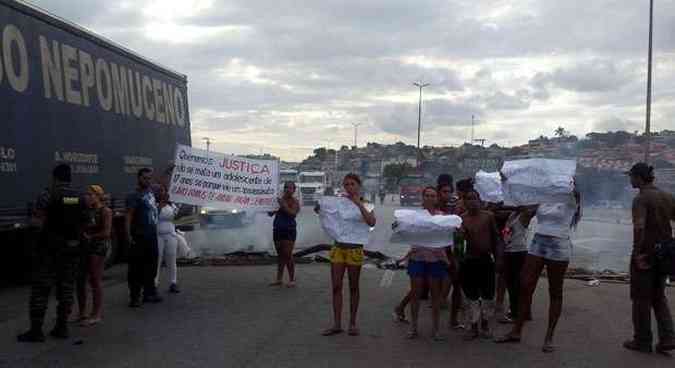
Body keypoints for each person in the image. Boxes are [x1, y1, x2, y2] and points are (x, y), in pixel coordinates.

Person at [496, 183, 582, 353]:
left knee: (555, 291)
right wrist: (510, 187)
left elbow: (574, 191)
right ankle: (516, 331)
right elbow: (525, 209)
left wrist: (566, 180)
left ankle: (549, 337)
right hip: (538, 241)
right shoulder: (544, 198)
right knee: (525, 285)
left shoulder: (571, 198)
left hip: (559, 244)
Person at [18, 164, 87, 342]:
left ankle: (36, 330)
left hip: (49, 250)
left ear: (55, 178)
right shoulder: (79, 197)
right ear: (70, 178)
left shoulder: (48, 195)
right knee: (66, 289)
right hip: (71, 249)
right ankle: (61, 327)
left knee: (41, 290)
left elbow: (38, 222)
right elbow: (87, 220)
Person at [622, 163, 675, 354]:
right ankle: (668, 338)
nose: (630, 180)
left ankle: (642, 341)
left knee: (640, 299)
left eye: (631, 176)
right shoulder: (667, 196)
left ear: (638, 177)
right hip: (665, 254)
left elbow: (639, 227)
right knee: (659, 297)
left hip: (646, 254)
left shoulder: (641, 199)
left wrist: (637, 254)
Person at [319, 173, 376, 337]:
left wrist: (359, 204)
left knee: (353, 286)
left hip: (355, 250)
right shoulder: (339, 203)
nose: (349, 187)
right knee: (336, 286)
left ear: (358, 186)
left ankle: (352, 323)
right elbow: (327, 215)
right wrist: (321, 209)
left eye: (352, 184)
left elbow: (372, 222)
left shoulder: (366, 203)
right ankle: (337, 324)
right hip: (338, 248)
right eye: (346, 184)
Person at [404, 187, 450, 341]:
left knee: (435, 295)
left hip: (436, 259)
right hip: (417, 257)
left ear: (436, 198)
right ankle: (414, 327)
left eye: (433, 195)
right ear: (422, 198)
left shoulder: (442, 216)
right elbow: (407, 234)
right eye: (427, 195)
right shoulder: (415, 216)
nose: (430, 198)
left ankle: (436, 329)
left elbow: (445, 238)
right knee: (415, 294)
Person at [459, 191, 503, 340]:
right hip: (469, 261)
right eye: (468, 199)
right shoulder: (461, 219)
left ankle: (485, 324)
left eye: (474, 198)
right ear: (464, 202)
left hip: (486, 261)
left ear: (480, 200)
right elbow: (459, 243)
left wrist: (499, 259)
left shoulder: (488, 216)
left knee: (488, 295)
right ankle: (473, 326)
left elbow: (496, 239)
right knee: (471, 296)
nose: (472, 202)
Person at [74, 185, 112, 327]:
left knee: (95, 280)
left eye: (91, 195)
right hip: (85, 247)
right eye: (87, 194)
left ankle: (96, 314)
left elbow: (106, 232)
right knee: (80, 279)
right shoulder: (87, 210)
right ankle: (82, 312)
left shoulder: (105, 211)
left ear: (98, 196)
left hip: (98, 248)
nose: (88, 197)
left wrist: (90, 236)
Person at [125, 168, 162, 308]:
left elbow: (162, 184)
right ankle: (135, 297)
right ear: (139, 178)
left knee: (151, 266)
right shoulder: (133, 195)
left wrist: (168, 171)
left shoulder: (151, 192)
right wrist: (127, 234)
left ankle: (149, 293)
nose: (147, 180)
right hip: (139, 236)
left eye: (149, 178)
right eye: (145, 178)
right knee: (136, 268)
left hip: (151, 235)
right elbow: (128, 216)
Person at [499, 206, 536, 324]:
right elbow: (495, 208)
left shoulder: (524, 215)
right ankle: (521, 311)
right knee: (512, 284)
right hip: (509, 251)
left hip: (518, 252)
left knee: (516, 284)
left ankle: (517, 313)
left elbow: (534, 208)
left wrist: (521, 206)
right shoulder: (512, 215)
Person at [268, 181, 301, 287]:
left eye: (290, 188)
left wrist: (283, 205)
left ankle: (292, 279)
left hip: (289, 230)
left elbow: (293, 214)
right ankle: (279, 279)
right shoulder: (278, 201)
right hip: (277, 229)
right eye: (286, 187)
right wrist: (270, 207)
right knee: (280, 255)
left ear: (294, 190)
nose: (287, 189)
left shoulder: (295, 201)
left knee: (288, 254)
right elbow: (270, 214)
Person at [156, 185, 180, 293]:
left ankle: (173, 282)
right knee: (157, 260)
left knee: (171, 259)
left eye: (165, 191)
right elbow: (154, 215)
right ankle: (154, 282)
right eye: (161, 191)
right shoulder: (155, 204)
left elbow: (177, 216)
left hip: (170, 234)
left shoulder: (172, 205)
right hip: (158, 235)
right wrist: (161, 203)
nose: (164, 193)